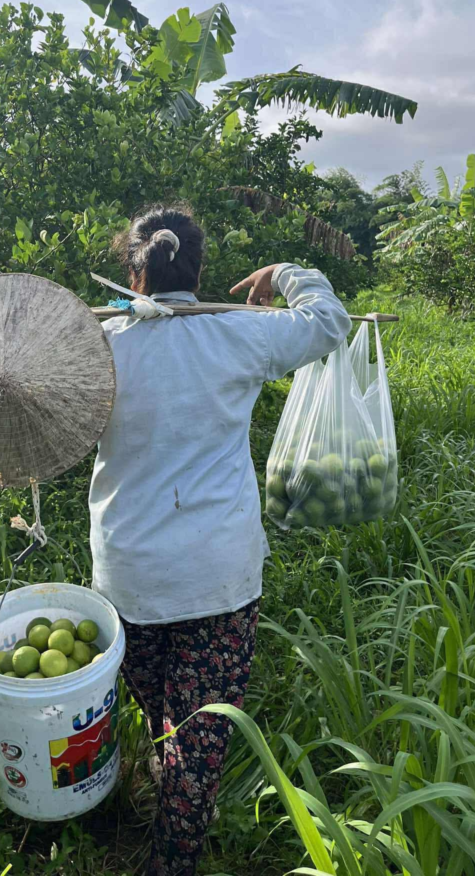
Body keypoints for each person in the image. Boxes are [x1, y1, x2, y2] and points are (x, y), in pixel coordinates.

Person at [89, 204, 351, 876]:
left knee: (162, 711)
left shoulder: (97, 348)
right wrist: (287, 272)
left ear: (132, 273)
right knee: (198, 731)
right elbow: (330, 322)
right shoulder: (239, 333)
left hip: (129, 572)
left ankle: (165, 781)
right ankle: (175, 854)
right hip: (217, 575)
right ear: (198, 272)